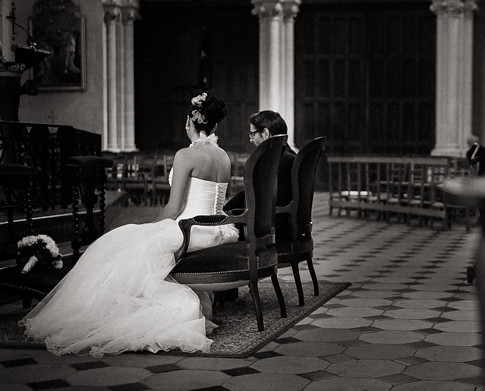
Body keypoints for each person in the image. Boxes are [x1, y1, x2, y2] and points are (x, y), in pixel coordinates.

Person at [20, 93, 238, 357]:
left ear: (190, 122)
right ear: (214, 125)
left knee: (119, 243)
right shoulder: (223, 156)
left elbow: (175, 207)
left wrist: (151, 227)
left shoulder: (186, 155)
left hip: (189, 229)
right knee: (130, 243)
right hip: (218, 229)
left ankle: (103, 310)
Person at [224, 110, 295, 242]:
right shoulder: (289, 156)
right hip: (288, 221)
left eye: (252, 134)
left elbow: (253, 195)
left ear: (265, 133)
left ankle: (244, 260)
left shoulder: (272, 161)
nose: (251, 139)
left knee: (226, 226)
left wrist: (225, 210)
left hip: (272, 226)